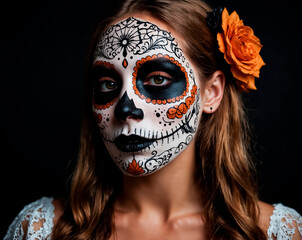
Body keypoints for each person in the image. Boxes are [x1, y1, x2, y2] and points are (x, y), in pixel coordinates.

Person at [4, 0, 302, 239]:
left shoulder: (275, 232)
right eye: (108, 84)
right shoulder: (41, 230)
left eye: (158, 79)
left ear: (211, 93)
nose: (125, 109)